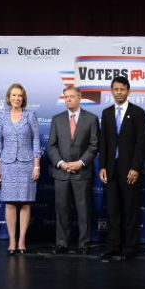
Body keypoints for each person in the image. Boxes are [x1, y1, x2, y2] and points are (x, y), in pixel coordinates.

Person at [99, 76, 145, 261]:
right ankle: (113, 246)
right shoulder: (106, 113)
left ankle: (130, 247)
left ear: (128, 91)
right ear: (111, 91)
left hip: (130, 169)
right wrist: (102, 165)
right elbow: (103, 141)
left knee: (130, 209)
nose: (119, 92)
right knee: (112, 209)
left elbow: (142, 143)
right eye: (116, 89)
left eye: (122, 89)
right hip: (111, 169)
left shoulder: (139, 113)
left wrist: (136, 167)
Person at [47, 86, 99, 254]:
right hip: (61, 173)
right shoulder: (57, 119)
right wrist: (61, 163)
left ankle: (84, 245)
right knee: (62, 210)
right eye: (66, 97)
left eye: (71, 97)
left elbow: (94, 145)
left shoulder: (91, 119)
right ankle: (62, 243)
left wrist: (81, 162)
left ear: (79, 98)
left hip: (81, 172)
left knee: (83, 211)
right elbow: (51, 146)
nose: (68, 99)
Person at [0, 83, 41, 255]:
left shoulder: (30, 115)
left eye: (19, 95)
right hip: (7, 164)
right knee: (10, 204)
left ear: (23, 98)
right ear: (8, 98)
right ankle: (12, 241)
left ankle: (22, 241)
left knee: (25, 203)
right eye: (13, 95)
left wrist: (37, 165)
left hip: (27, 164)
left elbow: (36, 141)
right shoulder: (1, 117)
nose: (16, 98)